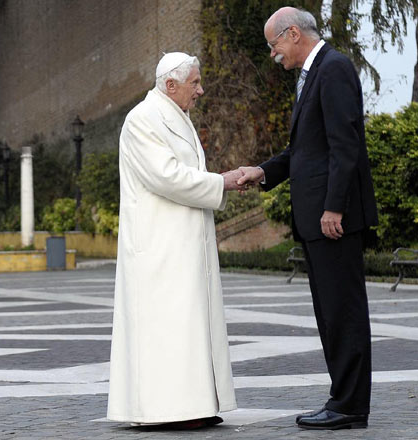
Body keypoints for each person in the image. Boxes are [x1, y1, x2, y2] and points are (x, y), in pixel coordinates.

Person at [236, 7, 378, 430]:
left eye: (273, 44)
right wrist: (264, 171)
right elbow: (306, 151)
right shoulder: (313, 74)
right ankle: (343, 399)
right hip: (317, 218)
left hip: (332, 218)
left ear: (293, 33)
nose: (273, 53)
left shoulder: (332, 69)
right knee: (331, 313)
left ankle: (350, 406)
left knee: (343, 312)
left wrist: (334, 206)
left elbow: (344, 144)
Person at [107, 52, 242, 429]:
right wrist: (223, 181)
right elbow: (167, 177)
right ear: (170, 85)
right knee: (166, 330)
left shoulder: (174, 116)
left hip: (181, 244)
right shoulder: (142, 120)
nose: (200, 90)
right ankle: (165, 411)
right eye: (194, 83)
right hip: (159, 248)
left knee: (187, 327)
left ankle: (192, 406)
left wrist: (219, 182)